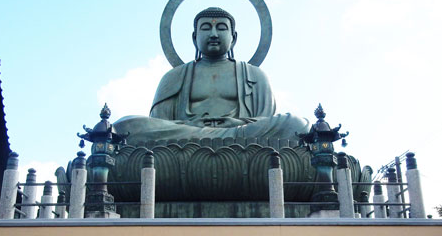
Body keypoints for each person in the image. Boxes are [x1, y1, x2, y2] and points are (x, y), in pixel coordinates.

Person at [113, 7, 309, 143]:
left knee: (296, 125)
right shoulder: (174, 77)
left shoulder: (255, 75)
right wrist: (191, 125)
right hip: (187, 137)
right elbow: (159, 123)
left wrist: (238, 124)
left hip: (241, 135)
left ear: (234, 38)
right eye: (206, 28)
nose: (214, 34)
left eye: (221, 28)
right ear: (194, 37)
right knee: (125, 127)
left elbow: (264, 120)